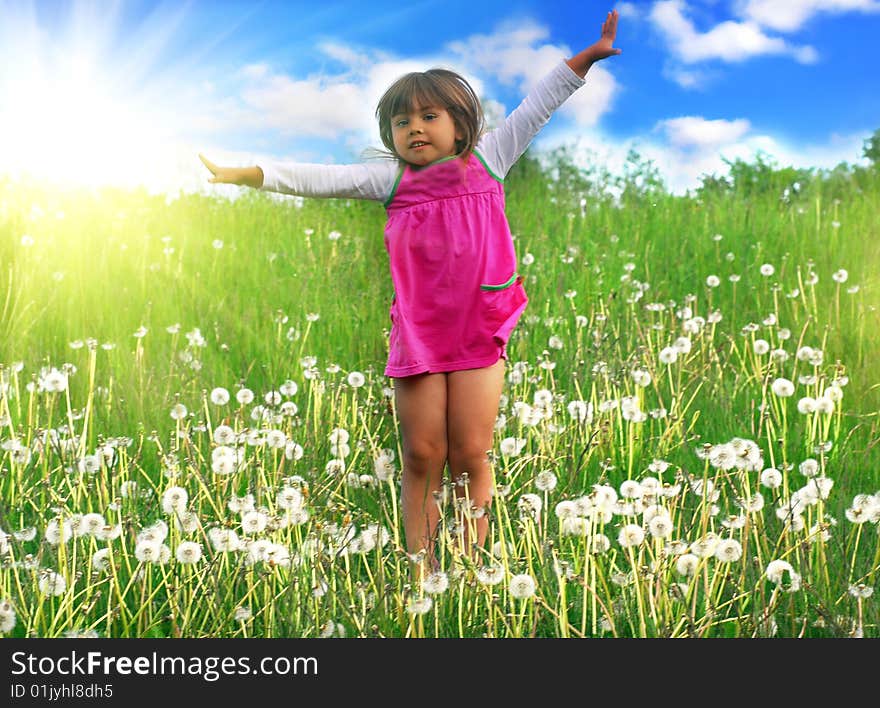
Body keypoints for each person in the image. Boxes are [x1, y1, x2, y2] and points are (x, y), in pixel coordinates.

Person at [200, 10, 621, 572]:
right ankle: (421, 570)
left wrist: (584, 60)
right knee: (423, 453)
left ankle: (472, 567)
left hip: (479, 327)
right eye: (401, 122)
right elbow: (318, 178)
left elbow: (538, 106)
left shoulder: (489, 161)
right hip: (420, 335)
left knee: (471, 453)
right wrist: (246, 174)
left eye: (428, 115)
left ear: (461, 124)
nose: (414, 128)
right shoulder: (390, 180)